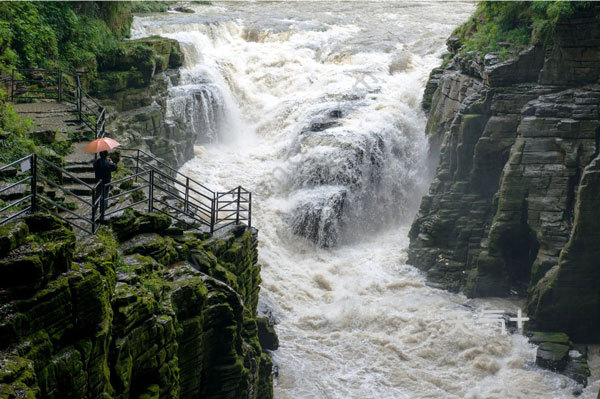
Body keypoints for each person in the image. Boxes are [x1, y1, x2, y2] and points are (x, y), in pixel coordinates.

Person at [93, 151, 118, 215]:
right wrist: (111, 162)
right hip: (106, 182)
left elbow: (94, 166)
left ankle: (94, 210)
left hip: (98, 182)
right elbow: (115, 167)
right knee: (105, 197)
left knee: (97, 196)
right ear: (106, 155)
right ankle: (102, 212)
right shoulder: (108, 163)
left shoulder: (97, 162)